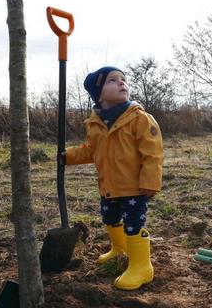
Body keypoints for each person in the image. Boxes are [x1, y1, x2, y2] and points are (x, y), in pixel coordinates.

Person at [64, 66, 163, 290]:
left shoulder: (140, 119)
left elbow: (152, 153)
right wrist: (68, 156)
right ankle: (120, 250)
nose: (122, 83)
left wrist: (150, 181)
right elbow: (91, 150)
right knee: (110, 218)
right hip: (108, 186)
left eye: (123, 79)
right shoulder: (95, 123)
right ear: (99, 94)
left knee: (134, 225)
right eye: (112, 80)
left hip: (134, 188)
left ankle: (142, 266)